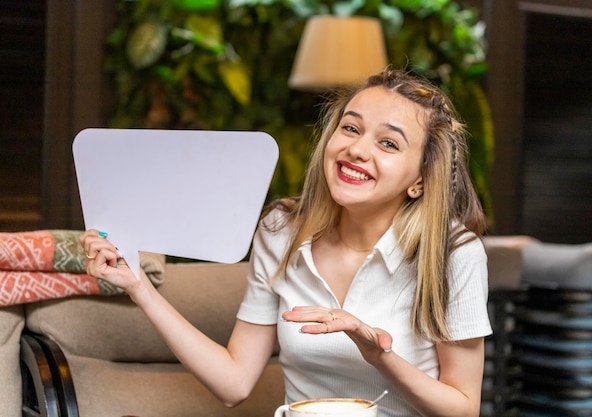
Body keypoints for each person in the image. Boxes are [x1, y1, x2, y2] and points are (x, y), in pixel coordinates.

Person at [81, 68, 492, 417]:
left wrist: (378, 355)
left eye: (388, 143)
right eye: (350, 128)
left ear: (420, 180)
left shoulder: (454, 254)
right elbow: (234, 383)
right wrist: (139, 287)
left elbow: (463, 407)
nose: (356, 149)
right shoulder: (281, 232)